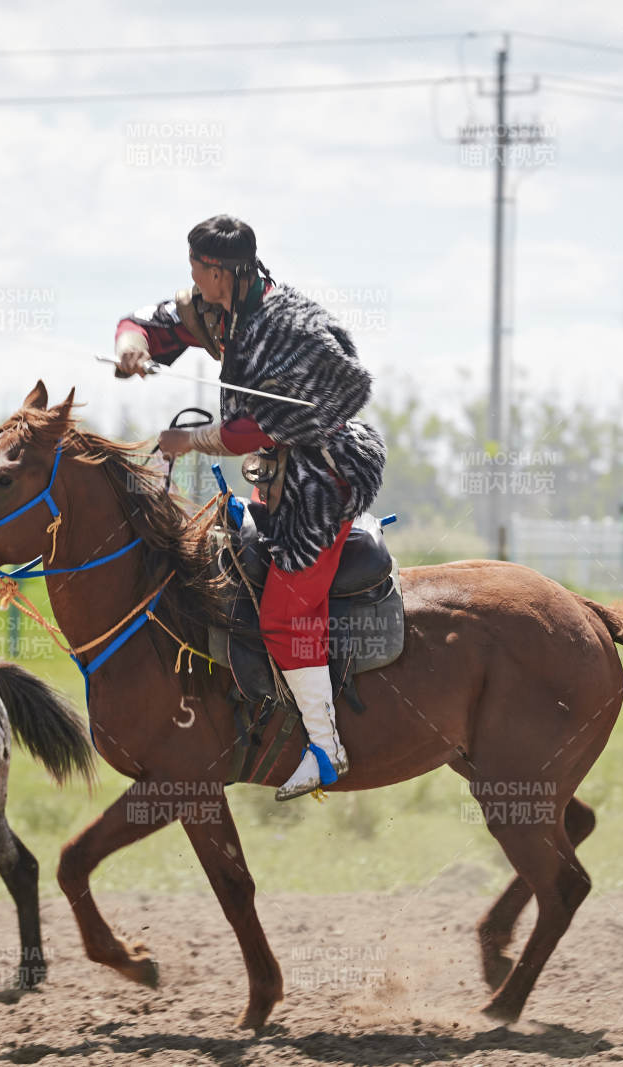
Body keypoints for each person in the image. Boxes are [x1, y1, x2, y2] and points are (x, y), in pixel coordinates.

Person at [114, 215, 385, 800]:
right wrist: (131, 346)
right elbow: (152, 327)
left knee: (284, 614)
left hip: (319, 484)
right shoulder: (218, 307)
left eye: (194, 268)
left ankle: (325, 750)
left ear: (219, 271)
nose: (189, 276)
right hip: (279, 476)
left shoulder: (296, 330)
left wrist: (186, 441)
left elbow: (248, 429)